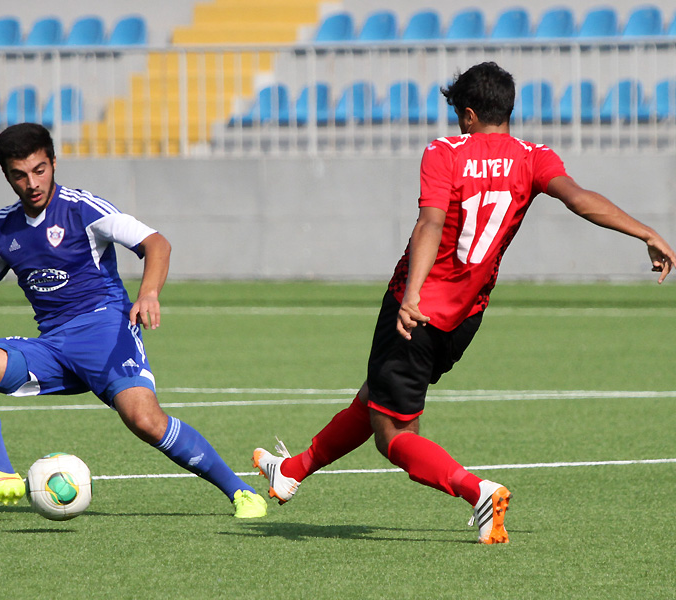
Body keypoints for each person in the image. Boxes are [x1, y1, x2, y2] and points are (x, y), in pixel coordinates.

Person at [253, 62, 676, 543]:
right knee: (378, 396)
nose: (457, 122)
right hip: (465, 317)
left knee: (394, 437)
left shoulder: (444, 152)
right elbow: (579, 199)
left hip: (415, 308)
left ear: (470, 114)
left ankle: (478, 492)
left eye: (458, 113)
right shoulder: (533, 156)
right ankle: (291, 470)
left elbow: (430, 225)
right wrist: (646, 232)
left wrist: (412, 293)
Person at [0, 123, 267, 519]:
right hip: (52, 347)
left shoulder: (82, 208)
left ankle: (241, 492)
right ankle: (0, 474)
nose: (32, 183)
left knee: (145, 420)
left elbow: (156, 243)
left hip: (105, 332)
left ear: (54, 163)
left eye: (40, 170)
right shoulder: (1, 228)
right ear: (6, 175)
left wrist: (148, 293)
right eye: (19, 175)